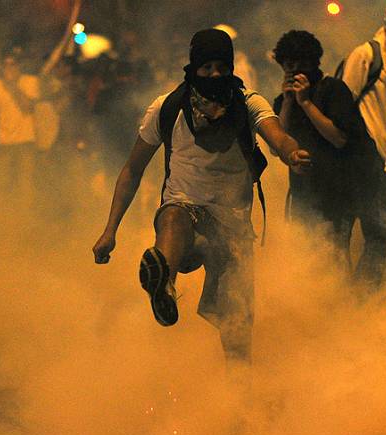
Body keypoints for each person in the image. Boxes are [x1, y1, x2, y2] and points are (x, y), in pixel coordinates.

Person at [92, 29, 310, 365]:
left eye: (222, 67)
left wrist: (292, 153)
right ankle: (163, 279)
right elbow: (132, 170)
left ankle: (240, 400)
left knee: (236, 327)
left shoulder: (248, 103)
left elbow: (278, 136)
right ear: (193, 68)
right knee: (174, 214)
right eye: (206, 68)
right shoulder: (167, 108)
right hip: (186, 212)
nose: (215, 75)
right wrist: (110, 230)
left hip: (233, 228)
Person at [271, 30, 380, 263]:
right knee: (305, 261)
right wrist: (289, 103)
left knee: (335, 258)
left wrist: (306, 103)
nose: (294, 72)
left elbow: (339, 138)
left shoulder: (333, 90)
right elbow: (276, 146)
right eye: (288, 66)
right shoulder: (284, 102)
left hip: (337, 194)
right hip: (304, 194)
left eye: (300, 65)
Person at [340, 0, 386, 289]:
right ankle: (352, 304)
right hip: (369, 163)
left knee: (382, 244)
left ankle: (361, 305)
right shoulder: (366, 55)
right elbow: (343, 105)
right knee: (368, 238)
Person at [0, 53, 40, 204]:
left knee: (26, 183)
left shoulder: (30, 81)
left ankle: (26, 215)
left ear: (19, 66)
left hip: (26, 140)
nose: (9, 68)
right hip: (5, 141)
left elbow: (28, 108)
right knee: (2, 182)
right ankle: (4, 215)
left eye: (12, 64)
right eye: (6, 65)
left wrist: (13, 86)